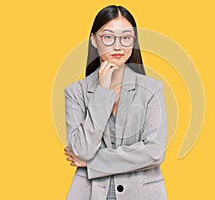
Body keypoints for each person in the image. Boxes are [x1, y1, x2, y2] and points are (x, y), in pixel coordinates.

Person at [64, 5, 168, 200]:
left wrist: (92, 164)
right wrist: (102, 92)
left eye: (126, 37)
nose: (118, 46)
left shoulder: (152, 90)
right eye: (109, 37)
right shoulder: (75, 92)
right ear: (94, 39)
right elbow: (82, 150)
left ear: (134, 41)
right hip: (89, 193)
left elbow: (154, 153)